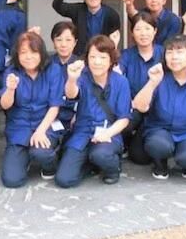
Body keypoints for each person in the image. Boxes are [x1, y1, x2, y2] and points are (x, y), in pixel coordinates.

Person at [138, 35, 186, 191]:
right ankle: (160, 164)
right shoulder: (159, 77)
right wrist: (152, 82)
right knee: (158, 145)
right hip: (159, 130)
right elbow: (140, 107)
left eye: (179, 51)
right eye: (169, 52)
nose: (174, 57)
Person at [55, 35, 131, 187]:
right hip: (82, 133)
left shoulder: (121, 81)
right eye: (93, 57)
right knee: (64, 179)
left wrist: (107, 134)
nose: (97, 62)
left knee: (100, 154)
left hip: (108, 133)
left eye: (102, 57)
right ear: (87, 59)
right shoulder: (82, 78)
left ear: (111, 60)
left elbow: (124, 118)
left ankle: (113, 169)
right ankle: (91, 165)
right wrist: (72, 78)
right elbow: (71, 94)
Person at [0, 32, 63, 187]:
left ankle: (50, 163)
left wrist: (40, 131)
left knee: (40, 152)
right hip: (19, 127)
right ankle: (25, 158)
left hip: (46, 125)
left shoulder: (53, 70)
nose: (28, 57)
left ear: (41, 53)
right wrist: (10, 89)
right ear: (17, 54)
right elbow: (5, 105)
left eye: (33, 52)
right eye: (23, 52)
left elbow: (54, 106)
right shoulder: (11, 72)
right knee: (12, 180)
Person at [118, 12, 164, 164]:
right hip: (133, 107)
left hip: (158, 110)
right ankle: (127, 140)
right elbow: (116, 78)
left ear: (155, 31)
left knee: (140, 157)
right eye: (138, 29)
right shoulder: (126, 55)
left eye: (147, 28)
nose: (143, 33)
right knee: (123, 124)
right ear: (132, 33)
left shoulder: (164, 54)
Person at [52, 0, 121, 56]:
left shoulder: (112, 15)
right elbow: (57, 6)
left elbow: (113, 39)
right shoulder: (78, 10)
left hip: (101, 56)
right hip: (80, 56)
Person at [48, 21, 80, 136]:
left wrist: (78, 115)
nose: (63, 44)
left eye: (68, 40)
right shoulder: (46, 65)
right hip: (51, 117)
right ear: (53, 42)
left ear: (75, 42)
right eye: (59, 40)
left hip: (76, 118)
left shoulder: (82, 66)